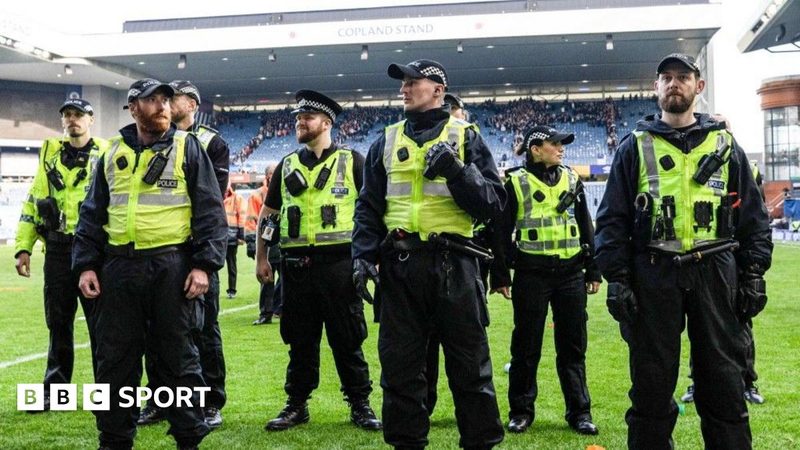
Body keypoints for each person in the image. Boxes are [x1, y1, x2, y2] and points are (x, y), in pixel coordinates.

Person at [594, 54, 772, 449]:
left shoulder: (725, 145)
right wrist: (618, 280)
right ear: (656, 88)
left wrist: (754, 274)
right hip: (654, 272)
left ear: (698, 87)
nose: (675, 84)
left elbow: (754, 220)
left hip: (716, 269)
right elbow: (611, 222)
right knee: (652, 386)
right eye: (667, 78)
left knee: (724, 384)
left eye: (683, 77)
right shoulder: (635, 146)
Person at [352, 59, 505, 449]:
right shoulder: (384, 142)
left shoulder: (466, 136)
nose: (404, 88)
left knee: (471, 369)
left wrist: (457, 171)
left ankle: (480, 443)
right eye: (402, 83)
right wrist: (363, 256)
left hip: (456, 265)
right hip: (400, 268)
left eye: (412, 82)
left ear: (438, 89)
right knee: (400, 371)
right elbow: (368, 207)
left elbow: (493, 204)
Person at [72, 78, 227, 450]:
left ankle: (188, 438)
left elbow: (210, 211)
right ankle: (113, 439)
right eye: (151, 100)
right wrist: (86, 266)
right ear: (132, 107)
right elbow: (91, 215)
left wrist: (204, 265)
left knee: (179, 361)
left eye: (165, 100)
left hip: (171, 268)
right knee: (114, 362)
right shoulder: (111, 154)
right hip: (118, 270)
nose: (161, 106)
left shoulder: (187, 147)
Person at [255, 90, 382, 432]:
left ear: (326, 123)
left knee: (348, 340)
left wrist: (372, 257)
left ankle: (360, 405)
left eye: (307, 118)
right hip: (296, 269)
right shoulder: (286, 165)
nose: (300, 122)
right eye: (298, 118)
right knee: (300, 341)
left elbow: (372, 213)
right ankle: (296, 405)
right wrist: (262, 257)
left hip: (340, 267)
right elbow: (269, 217)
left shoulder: (353, 161)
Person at [490, 125, 600, 435]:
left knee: (573, 348)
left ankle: (580, 412)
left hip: (570, 275)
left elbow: (585, 226)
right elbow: (499, 232)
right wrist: (501, 274)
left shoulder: (573, 178)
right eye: (555, 143)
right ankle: (521, 412)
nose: (561, 148)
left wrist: (593, 269)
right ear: (535, 149)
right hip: (531, 276)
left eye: (561, 144)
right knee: (525, 348)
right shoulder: (514, 182)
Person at [138, 79, 231, 429]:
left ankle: (210, 402)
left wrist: (203, 258)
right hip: (161, 252)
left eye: (171, 98)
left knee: (204, 329)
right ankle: (161, 399)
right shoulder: (147, 140)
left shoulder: (211, 142)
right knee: (155, 329)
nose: (164, 103)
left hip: (196, 251)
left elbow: (212, 198)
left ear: (191, 103)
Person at [14, 99, 108, 412]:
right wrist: (23, 246)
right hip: (55, 250)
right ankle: (54, 393)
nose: (72, 120)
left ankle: (104, 395)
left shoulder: (106, 154)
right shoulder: (50, 153)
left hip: (93, 252)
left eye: (78, 115)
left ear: (90, 119)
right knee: (58, 323)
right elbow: (34, 201)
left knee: (101, 326)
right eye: (67, 115)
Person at [681, 158, 768, 405]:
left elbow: (756, 212)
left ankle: (747, 382)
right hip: (714, 256)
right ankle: (697, 381)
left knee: (741, 325)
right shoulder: (697, 162)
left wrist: (752, 265)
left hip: (738, 255)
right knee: (702, 324)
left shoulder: (744, 166)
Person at [247, 163, 282, 325]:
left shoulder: (287, 190)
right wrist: (252, 243)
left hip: (284, 241)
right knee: (267, 278)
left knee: (287, 279)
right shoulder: (258, 195)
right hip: (267, 242)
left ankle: (281, 310)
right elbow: (253, 219)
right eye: (273, 173)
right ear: (268, 175)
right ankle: (266, 313)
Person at [223, 183, 246, 298]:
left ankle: (232, 290)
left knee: (231, 264)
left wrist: (241, 236)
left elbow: (241, 217)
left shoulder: (237, 198)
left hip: (231, 237)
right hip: (219, 236)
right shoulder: (218, 195)